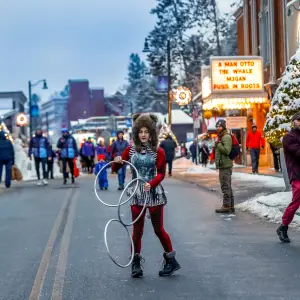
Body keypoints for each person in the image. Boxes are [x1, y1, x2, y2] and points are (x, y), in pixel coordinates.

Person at [114, 113, 180, 278]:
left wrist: (151, 183)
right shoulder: (130, 150)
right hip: (136, 194)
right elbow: (116, 169)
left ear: (151, 133)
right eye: (140, 131)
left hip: (154, 194)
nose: (143, 134)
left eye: (146, 131)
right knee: (137, 231)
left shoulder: (159, 151)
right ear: (136, 133)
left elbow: (161, 174)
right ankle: (135, 263)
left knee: (158, 229)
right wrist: (116, 162)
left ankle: (171, 260)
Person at [277, 112, 300, 243]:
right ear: (293, 122)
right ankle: (283, 227)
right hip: (297, 175)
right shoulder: (288, 137)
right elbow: (298, 153)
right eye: (298, 120)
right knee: (296, 202)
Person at [214, 119, 234, 214]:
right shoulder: (221, 136)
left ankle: (226, 206)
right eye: (217, 126)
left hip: (225, 165)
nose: (218, 128)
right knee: (227, 185)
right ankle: (230, 205)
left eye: (220, 126)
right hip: (223, 164)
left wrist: (218, 145)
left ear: (223, 127)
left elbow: (227, 151)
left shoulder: (225, 137)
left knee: (225, 186)